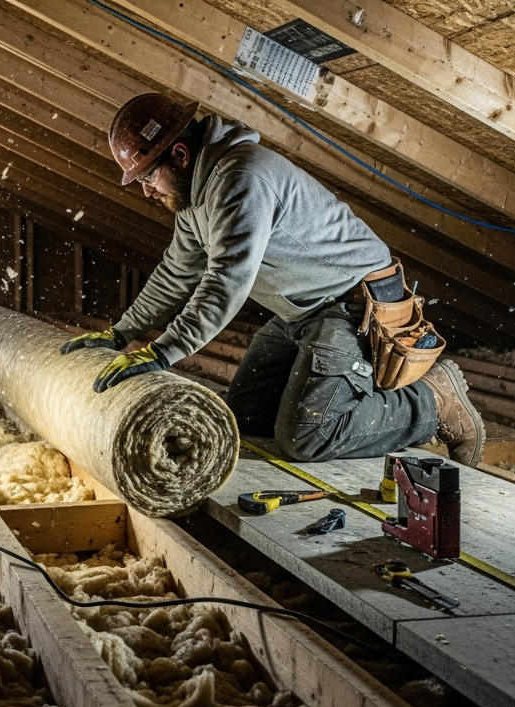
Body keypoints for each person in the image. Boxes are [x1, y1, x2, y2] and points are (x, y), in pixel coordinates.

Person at [59, 93, 485, 465]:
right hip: (303, 311)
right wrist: (122, 333)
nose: (147, 191)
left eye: (149, 176)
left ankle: (434, 401)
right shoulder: (192, 198)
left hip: (352, 307)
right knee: (244, 419)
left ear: (181, 155)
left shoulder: (241, 179)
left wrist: (164, 352)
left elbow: (228, 279)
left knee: (307, 436)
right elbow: (177, 271)